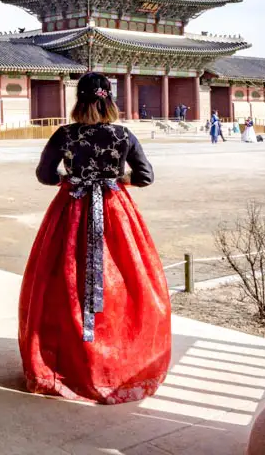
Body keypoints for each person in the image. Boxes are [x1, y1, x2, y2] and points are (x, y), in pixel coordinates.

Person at [20, 72, 171, 404]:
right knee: (121, 283)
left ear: (79, 101)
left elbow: (45, 175)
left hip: (70, 211)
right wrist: (114, 181)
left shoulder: (65, 134)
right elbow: (145, 177)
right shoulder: (123, 135)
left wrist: (72, 179)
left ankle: (69, 363)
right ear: (110, 100)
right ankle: (113, 363)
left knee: (64, 284)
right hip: (115, 212)